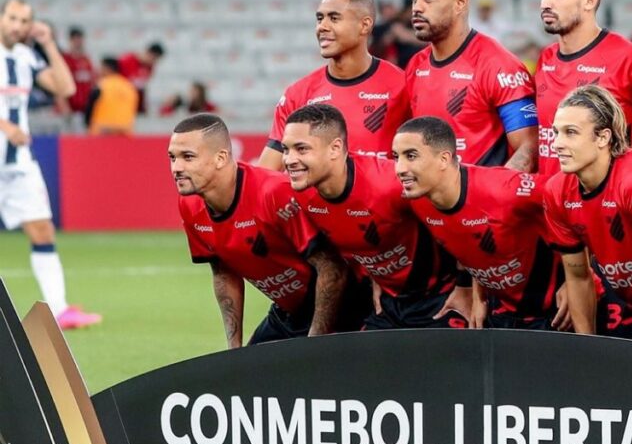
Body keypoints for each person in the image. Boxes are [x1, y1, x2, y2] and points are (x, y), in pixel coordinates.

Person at [281, 103, 469, 329]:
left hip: (440, 298)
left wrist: (465, 286)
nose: (289, 159)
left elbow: (460, 218)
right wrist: (373, 274)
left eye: (301, 149)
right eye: (285, 149)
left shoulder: (390, 183)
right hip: (386, 304)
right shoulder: (299, 193)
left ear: (335, 148)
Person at [169, 113, 347, 347]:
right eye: (172, 157)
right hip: (287, 313)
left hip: (340, 306)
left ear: (220, 158)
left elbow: (331, 267)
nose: (176, 168)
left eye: (188, 157)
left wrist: (314, 344)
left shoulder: (272, 192)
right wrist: (234, 348)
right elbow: (223, 273)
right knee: (244, 368)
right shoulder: (189, 205)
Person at [394, 116, 564, 329]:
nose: (399, 168)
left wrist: (577, 278)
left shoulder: (503, 189)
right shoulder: (418, 200)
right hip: (502, 311)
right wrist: (477, 295)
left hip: (556, 312)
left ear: (444, 159)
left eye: (411, 156)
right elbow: (471, 238)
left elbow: (570, 199)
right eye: (396, 157)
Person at [542, 86, 632, 344]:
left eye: (570, 132)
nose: (557, 143)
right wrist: (587, 349)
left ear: (603, 137)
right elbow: (578, 277)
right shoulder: (556, 190)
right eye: (556, 132)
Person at [0, 0, 100, 330]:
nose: (17, 26)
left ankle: (59, 309)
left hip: (18, 162)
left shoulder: (26, 56)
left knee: (42, 229)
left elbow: (66, 88)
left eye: (24, 21)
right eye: (12, 18)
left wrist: (48, 44)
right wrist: (5, 126)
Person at [535, 0, 632, 175]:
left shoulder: (630, 58)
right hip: (550, 195)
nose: (545, 3)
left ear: (589, 0)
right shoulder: (546, 58)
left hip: (609, 196)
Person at [259, 0, 410, 172]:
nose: (322, 27)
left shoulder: (402, 85)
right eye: (319, 18)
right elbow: (266, 175)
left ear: (364, 25)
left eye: (334, 18)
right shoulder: (298, 94)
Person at [406, 0, 538, 171]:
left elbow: (528, 148)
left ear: (460, 3)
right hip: (428, 191)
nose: (417, 8)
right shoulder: (416, 65)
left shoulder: (498, 65)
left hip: (481, 191)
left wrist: (490, 188)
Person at [84, 57, 139, 135]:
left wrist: (87, 124)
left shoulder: (101, 85)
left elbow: (90, 107)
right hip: (125, 131)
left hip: (102, 131)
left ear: (107, 68)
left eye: (100, 68)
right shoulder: (129, 87)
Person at [118, 41, 164, 114]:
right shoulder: (127, 60)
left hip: (135, 97)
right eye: (153, 58)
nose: (154, 62)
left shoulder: (150, 67)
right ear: (148, 53)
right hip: (121, 94)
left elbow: (142, 85)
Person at [61, 26, 95, 116]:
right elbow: (60, 84)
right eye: (75, 40)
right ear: (70, 41)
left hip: (86, 107)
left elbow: (92, 81)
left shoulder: (86, 60)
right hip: (71, 107)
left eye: (80, 40)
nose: (78, 43)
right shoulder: (65, 60)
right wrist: (64, 105)